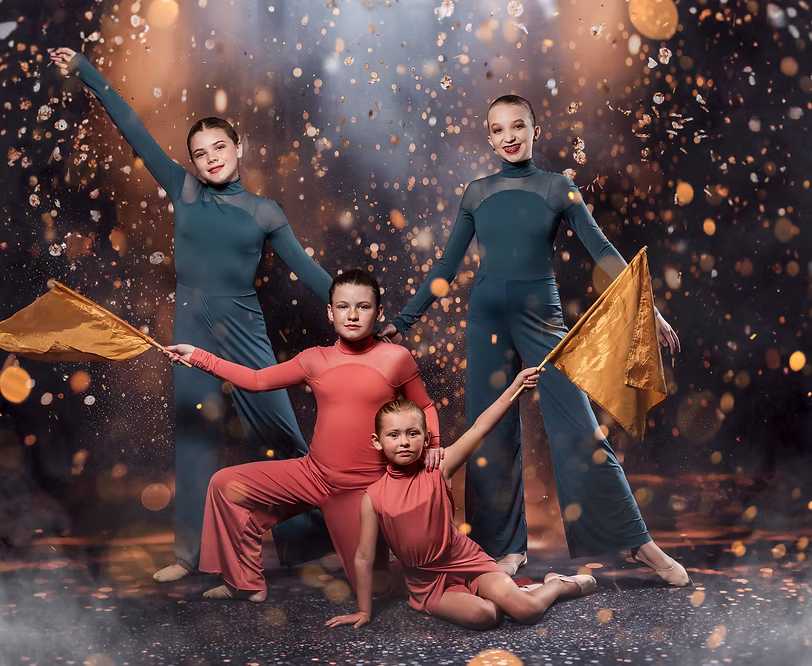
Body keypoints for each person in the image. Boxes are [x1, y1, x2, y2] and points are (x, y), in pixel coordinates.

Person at [49, 47, 335, 581]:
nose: (210, 159)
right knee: (195, 437)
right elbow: (132, 129)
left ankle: (316, 544)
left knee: (281, 439)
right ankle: (191, 556)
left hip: (245, 330)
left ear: (238, 148)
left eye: (219, 147)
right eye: (200, 153)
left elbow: (308, 270)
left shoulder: (264, 211)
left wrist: (356, 307)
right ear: (194, 162)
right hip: (190, 326)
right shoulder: (184, 190)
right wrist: (87, 72)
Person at [380, 95, 688, 585]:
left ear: (535, 130)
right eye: (499, 129)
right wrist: (405, 320)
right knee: (491, 432)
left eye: (518, 126)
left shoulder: (557, 187)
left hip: (540, 318)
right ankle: (503, 549)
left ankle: (637, 544)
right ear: (489, 137)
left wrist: (645, 306)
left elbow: (600, 248)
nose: (509, 136)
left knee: (579, 432)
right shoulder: (476, 192)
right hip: (485, 319)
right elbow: (445, 268)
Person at [166, 270, 442, 600]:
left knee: (375, 588)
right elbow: (256, 380)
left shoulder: (397, 358)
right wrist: (198, 356)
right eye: (342, 306)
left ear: (379, 312)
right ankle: (245, 585)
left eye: (363, 307)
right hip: (312, 474)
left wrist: (434, 444)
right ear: (330, 312)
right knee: (226, 485)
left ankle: (451, 571)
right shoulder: (314, 359)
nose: (352, 315)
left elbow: (424, 406)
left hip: (362, 490)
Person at [326, 369, 596, 630]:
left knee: (526, 612)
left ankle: (558, 584)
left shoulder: (439, 468)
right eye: (394, 435)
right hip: (427, 582)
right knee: (486, 615)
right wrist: (363, 610)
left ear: (426, 438)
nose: (404, 442)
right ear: (377, 441)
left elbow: (479, 428)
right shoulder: (373, 497)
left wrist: (514, 388)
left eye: (412, 433)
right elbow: (363, 557)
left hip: (467, 561)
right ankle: (517, 590)